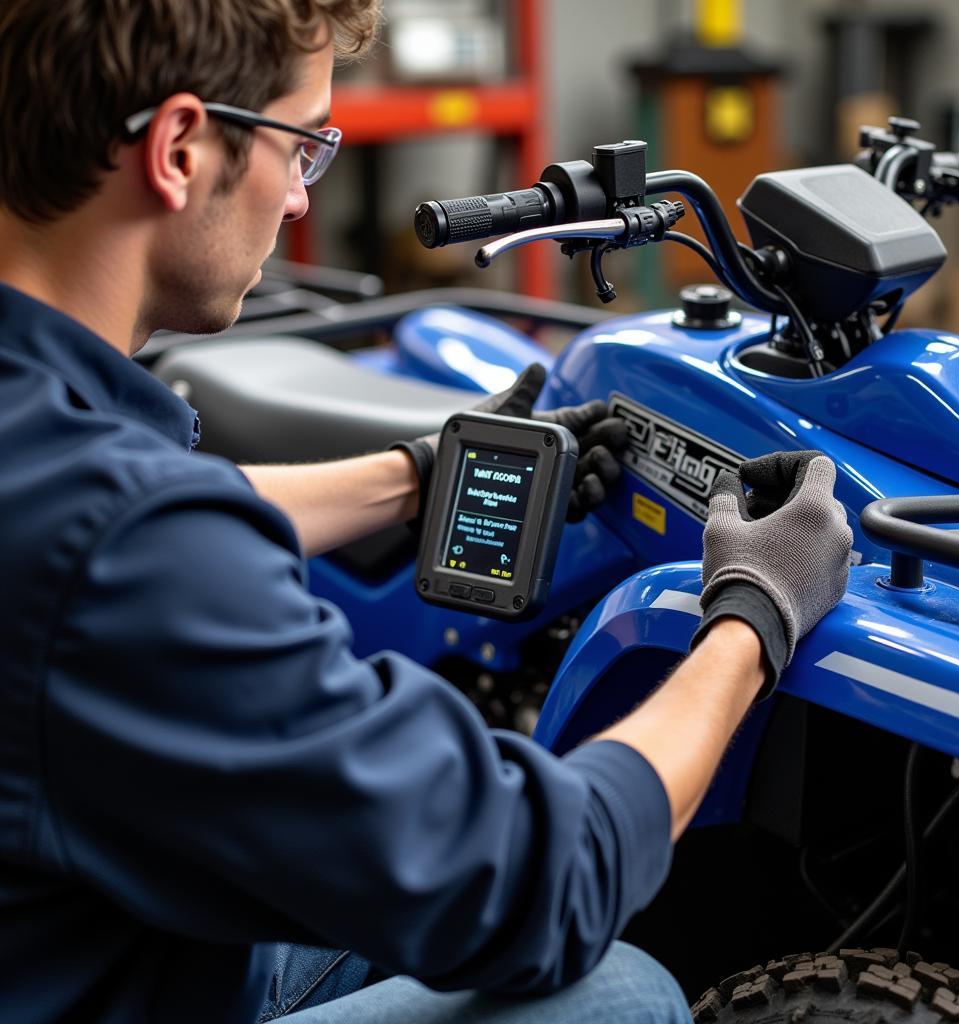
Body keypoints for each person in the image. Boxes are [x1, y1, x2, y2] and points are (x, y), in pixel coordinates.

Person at [0, 2, 855, 1022]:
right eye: (304, 145)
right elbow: (546, 883)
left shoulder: (54, 458)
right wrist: (753, 618)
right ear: (181, 147)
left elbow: (107, 521)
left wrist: (414, 473)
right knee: (621, 993)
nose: (300, 203)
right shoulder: (128, 549)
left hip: (71, 933)